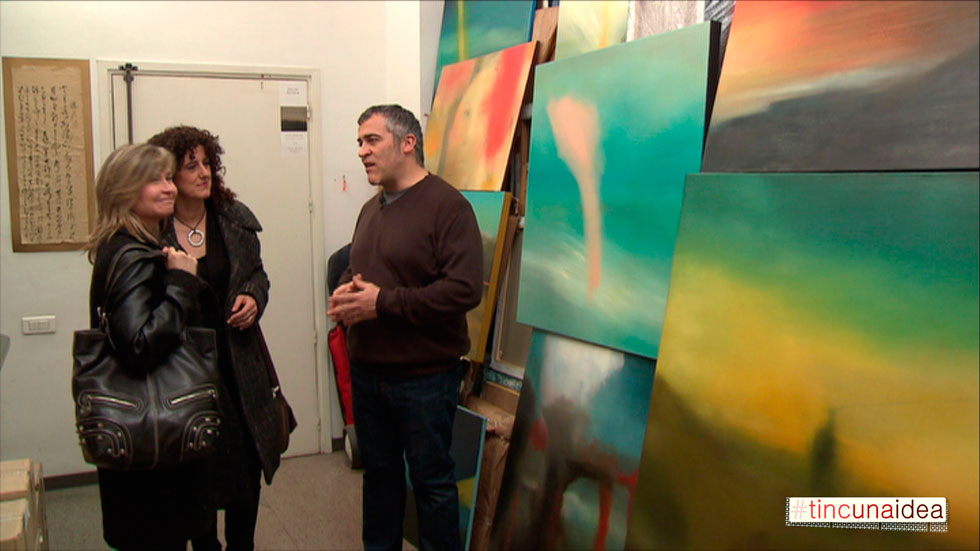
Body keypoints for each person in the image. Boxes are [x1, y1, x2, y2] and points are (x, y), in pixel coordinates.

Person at [328, 104, 483, 551]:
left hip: (424, 378)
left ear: (408, 143)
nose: (362, 151)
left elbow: (463, 290)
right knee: (379, 478)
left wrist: (382, 303)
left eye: (372, 140)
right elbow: (360, 267)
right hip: (369, 372)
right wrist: (346, 291)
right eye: (359, 142)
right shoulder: (369, 209)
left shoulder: (448, 207)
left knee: (432, 483)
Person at [148, 126, 282, 551]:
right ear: (169, 174)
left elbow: (258, 276)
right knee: (197, 475)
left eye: (207, 163)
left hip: (238, 366)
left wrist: (253, 298)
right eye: (191, 166)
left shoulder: (232, 218)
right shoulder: (152, 231)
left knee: (245, 474)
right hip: (185, 372)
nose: (203, 173)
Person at [84, 143, 211, 550]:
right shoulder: (132, 256)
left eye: (168, 177)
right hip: (151, 444)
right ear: (123, 191)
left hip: (139, 436)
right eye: (154, 180)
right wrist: (182, 282)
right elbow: (139, 346)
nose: (169, 187)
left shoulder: (125, 246)